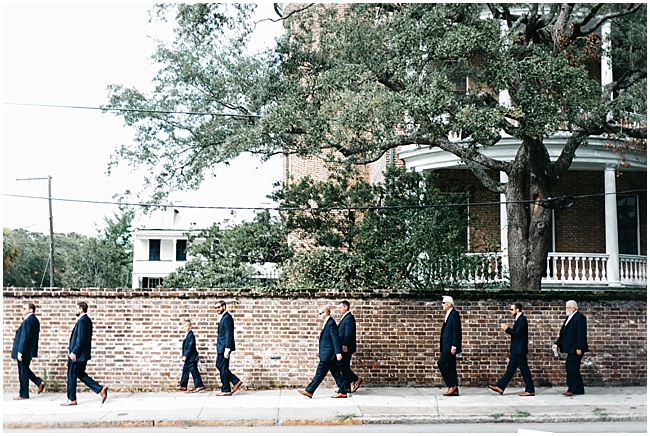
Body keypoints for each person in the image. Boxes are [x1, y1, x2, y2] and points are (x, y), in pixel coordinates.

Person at [61, 302, 108, 406]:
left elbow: (80, 339)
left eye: (76, 308)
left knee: (71, 375)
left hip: (78, 355)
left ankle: (71, 398)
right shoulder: (87, 320)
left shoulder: (82, 321)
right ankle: (100, 390)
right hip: (83, 354)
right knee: (80, 374)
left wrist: (74, 352)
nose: (75, 310)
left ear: (81, 309)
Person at [298, 307, 348, 399]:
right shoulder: (327, 323)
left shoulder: (331, 323)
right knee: (336, 373)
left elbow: (335, 339)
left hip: (328, 354)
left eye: (320, 313)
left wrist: (338, 352)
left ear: (325, 313)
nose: (319, 316)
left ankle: (309, 390)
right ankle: (343, 391)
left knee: (319, 373)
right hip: (328, 354)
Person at [488, 303, 536, 396]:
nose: (510, 311)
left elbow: (517, 333)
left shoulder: (522, 319)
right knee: (510, 369)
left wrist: (507, 329)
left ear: (517, 309)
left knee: (524, 369)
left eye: (512, 309)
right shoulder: (519, 319)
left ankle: (530, 389)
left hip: (519, 349)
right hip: (516, 349)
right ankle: (501, 386)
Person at [553, 300, 589, 396]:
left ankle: (572, 388)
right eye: (566, 307)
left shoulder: (579, 318)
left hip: (575, 348)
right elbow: (564, 334)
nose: (566, 309)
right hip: (571, 348)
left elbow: (581, 334)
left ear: (574, 308)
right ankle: (579, 388)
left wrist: (579, 347)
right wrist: (557, 343)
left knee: (571, 368)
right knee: (574, 368)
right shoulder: (569, 318)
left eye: (568, 307)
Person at [11, 303, 46, 400]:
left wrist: (20, 351)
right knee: (25, 370)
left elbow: (24, 337)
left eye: (24, 308)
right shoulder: (35, 320)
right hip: (29, 350)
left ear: (31, 310)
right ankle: (38, 382)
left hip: (24, 351)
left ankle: (23, 393)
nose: (22, 310)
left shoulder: (28, 320)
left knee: (22, 372)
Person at [215, 301, 243, 396]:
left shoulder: (227, 317)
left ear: (224, 306)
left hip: (224, 347)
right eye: (215, 308)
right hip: (221, 347)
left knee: (222, 366)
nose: (217, 309)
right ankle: (235, 381)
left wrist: (227, 349)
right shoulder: (223, 317)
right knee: (220, 365)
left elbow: (228, 334)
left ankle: (226, 388)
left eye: (218, 307)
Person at [438, 295, 462, 396]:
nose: (442, 305)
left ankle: (452, 385)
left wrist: (454, 345)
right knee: (451, 366)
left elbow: (457, 331)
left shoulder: (454, 314)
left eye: (443, 303)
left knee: (441, 363)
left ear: (449, 304)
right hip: (446, 344)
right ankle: (455, 389)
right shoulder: (448, 314)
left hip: (450, 345)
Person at [337, 300, 362, 393]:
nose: (339, 309)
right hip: (345, 346)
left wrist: (345, 344)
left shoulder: (349, 318)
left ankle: (355, 379)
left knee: (340, 365)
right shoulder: (346, 317)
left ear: (345, 307)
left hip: (346, 347)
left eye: (340, 307)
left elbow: (348, 333)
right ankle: (346, 387)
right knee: (345, 365)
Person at [178, 319, 204, 393]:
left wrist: (185, 356)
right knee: (185, 371)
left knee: (194, 371)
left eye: (186, 326)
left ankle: (199, 385)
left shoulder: (191, 335)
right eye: (183, 326)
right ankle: (183, 385)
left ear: (190, 327)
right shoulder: (187, 335)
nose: (184, 328)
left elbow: (190, 346)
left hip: (191, 358)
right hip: (189, 358)